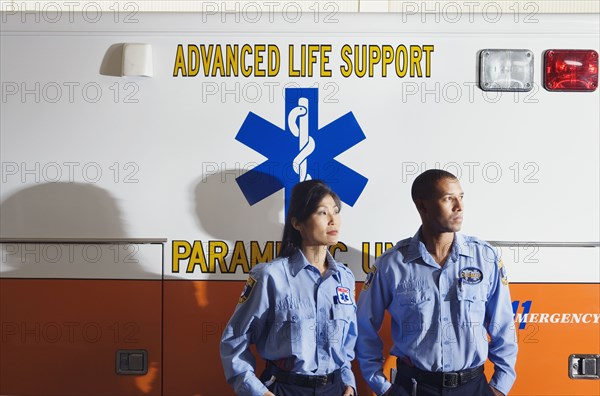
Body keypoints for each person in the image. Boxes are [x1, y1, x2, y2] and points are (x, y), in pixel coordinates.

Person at [356, 169, 517, 396]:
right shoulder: (391, 264)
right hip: (413, 387)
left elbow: (503, 326)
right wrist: (383, 387)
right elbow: (363, 327)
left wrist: (500, 386)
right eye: (448, 199)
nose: (459, 207)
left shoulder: (486, 258)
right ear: (422, 206)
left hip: (473, 387)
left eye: (461, 197)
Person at [221, 179, 357, 396]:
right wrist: (258, 392)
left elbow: (347, 343)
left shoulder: (344, 278)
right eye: (322, 212)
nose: (333, 220)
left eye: (336, 211)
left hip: (335, 389)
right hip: (286, 389)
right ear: (297, 223)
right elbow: (234, 340)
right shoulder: (270, 276)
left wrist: (349, 383)